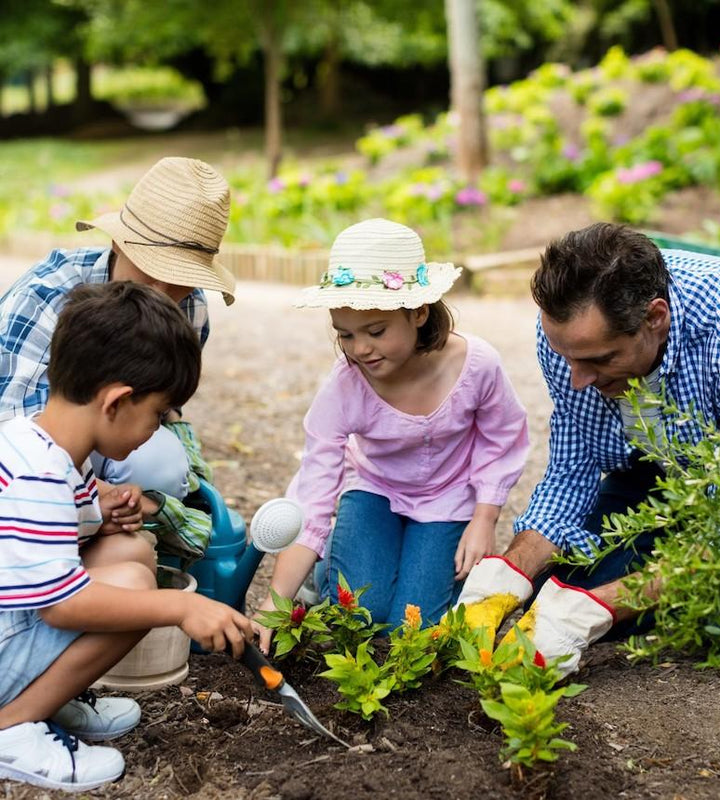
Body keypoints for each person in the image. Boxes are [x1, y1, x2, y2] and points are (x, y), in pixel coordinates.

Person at [456, 222, 720, 676]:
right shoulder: (572, 340)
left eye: (600, 360)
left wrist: (603, 605)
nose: (577, 378)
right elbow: (573, 469)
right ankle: (678, 574)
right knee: (547, 587)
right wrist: (507, 573)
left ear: (655, 319)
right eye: (568, 359)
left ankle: (698, 579)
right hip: (661, 469)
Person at [0, 282, 254, 792]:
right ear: (116, 401)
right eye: (158, 416)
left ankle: (49, 695)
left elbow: (46, 533)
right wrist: (180, 609)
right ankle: (14, 725)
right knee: (138, 593)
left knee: (130, 553)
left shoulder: (32, 439)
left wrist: (97, 511)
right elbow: (62, 607)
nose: (156, 430)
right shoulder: (40, 477)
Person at [255, 218, 529, 647]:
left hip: (448, 498)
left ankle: (403, 566)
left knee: (409, 630)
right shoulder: (346, 384)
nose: (360, 348)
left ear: (418, 312)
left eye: (376, 331)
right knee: (360, 617)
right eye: (344, 334)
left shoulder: (476, 365)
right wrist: (273, 606)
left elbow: (503, 436)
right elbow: (314, 491)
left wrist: (484, 517)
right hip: (375, 489)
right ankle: (323, 570)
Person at [0, 156, 237, 563]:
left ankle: (102, 543)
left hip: (109, 436)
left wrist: (132, 498)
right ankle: (48, 541)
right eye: (148, 274)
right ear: (117, 243)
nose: (162, 293)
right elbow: (13, 424)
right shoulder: (47, 294)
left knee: (161, 463)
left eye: (180, 280)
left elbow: (161, 407)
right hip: (30, 449)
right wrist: (88, 494)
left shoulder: (191, 309)